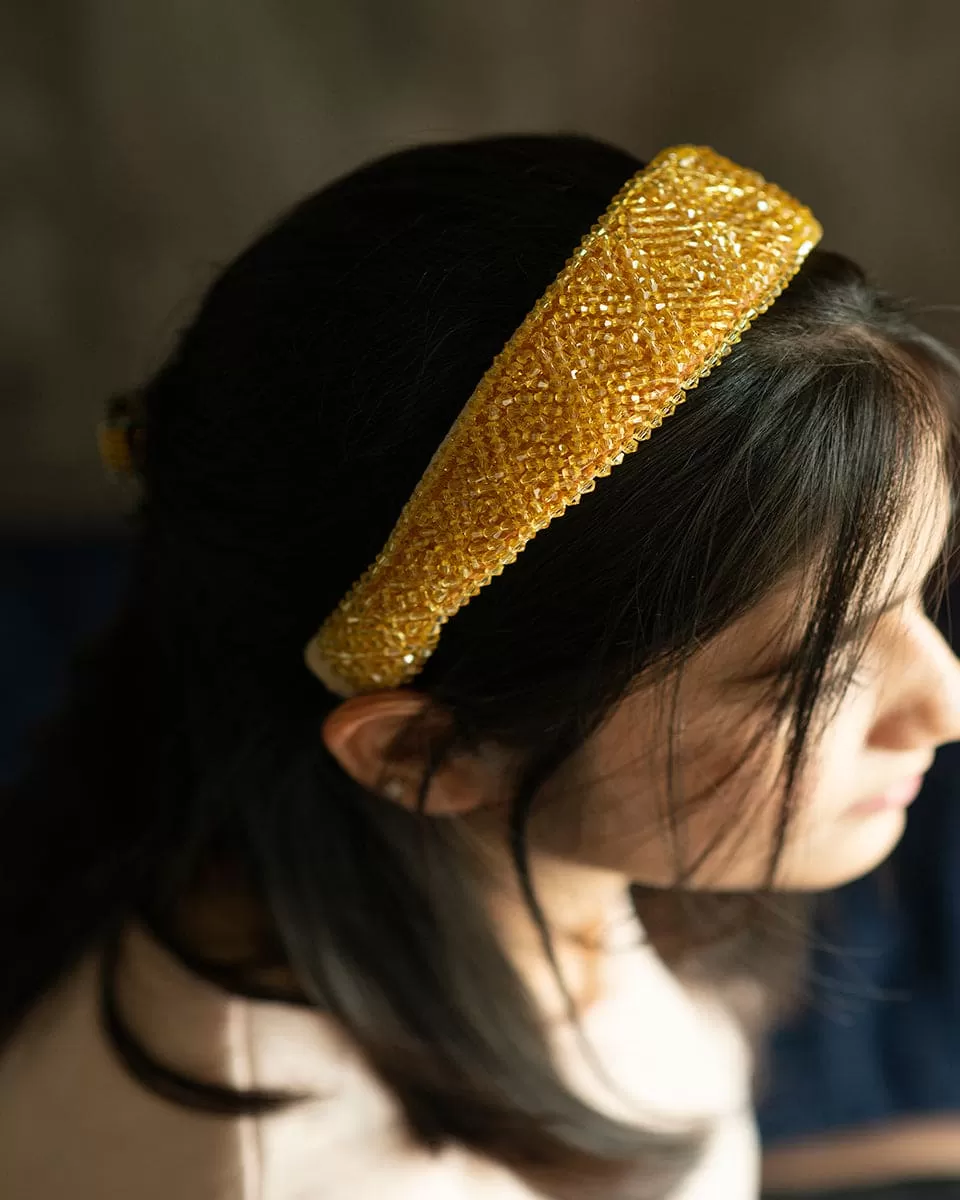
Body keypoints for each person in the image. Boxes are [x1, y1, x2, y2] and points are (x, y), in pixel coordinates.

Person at [1, 134, 959, 1200]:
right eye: (820, 673)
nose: (947, 703)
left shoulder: (548, 872)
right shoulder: (312, 1176)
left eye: (920, 593)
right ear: (424, 751)